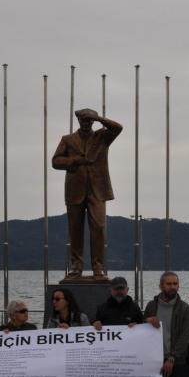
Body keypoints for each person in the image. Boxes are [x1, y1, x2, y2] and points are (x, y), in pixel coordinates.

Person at [51, 108, 123, 277]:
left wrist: (99, 118)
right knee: (75, 229)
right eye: (83, 120)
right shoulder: (68, 140)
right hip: (74, 190)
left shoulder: (102, 137)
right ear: (78, 121)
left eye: (89, 120)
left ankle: (98, 265)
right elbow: (55, 161)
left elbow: (118, 128)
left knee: (98, 227)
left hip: (97, 190)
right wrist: (74, 160)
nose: (86, 123)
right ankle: (76, 265)